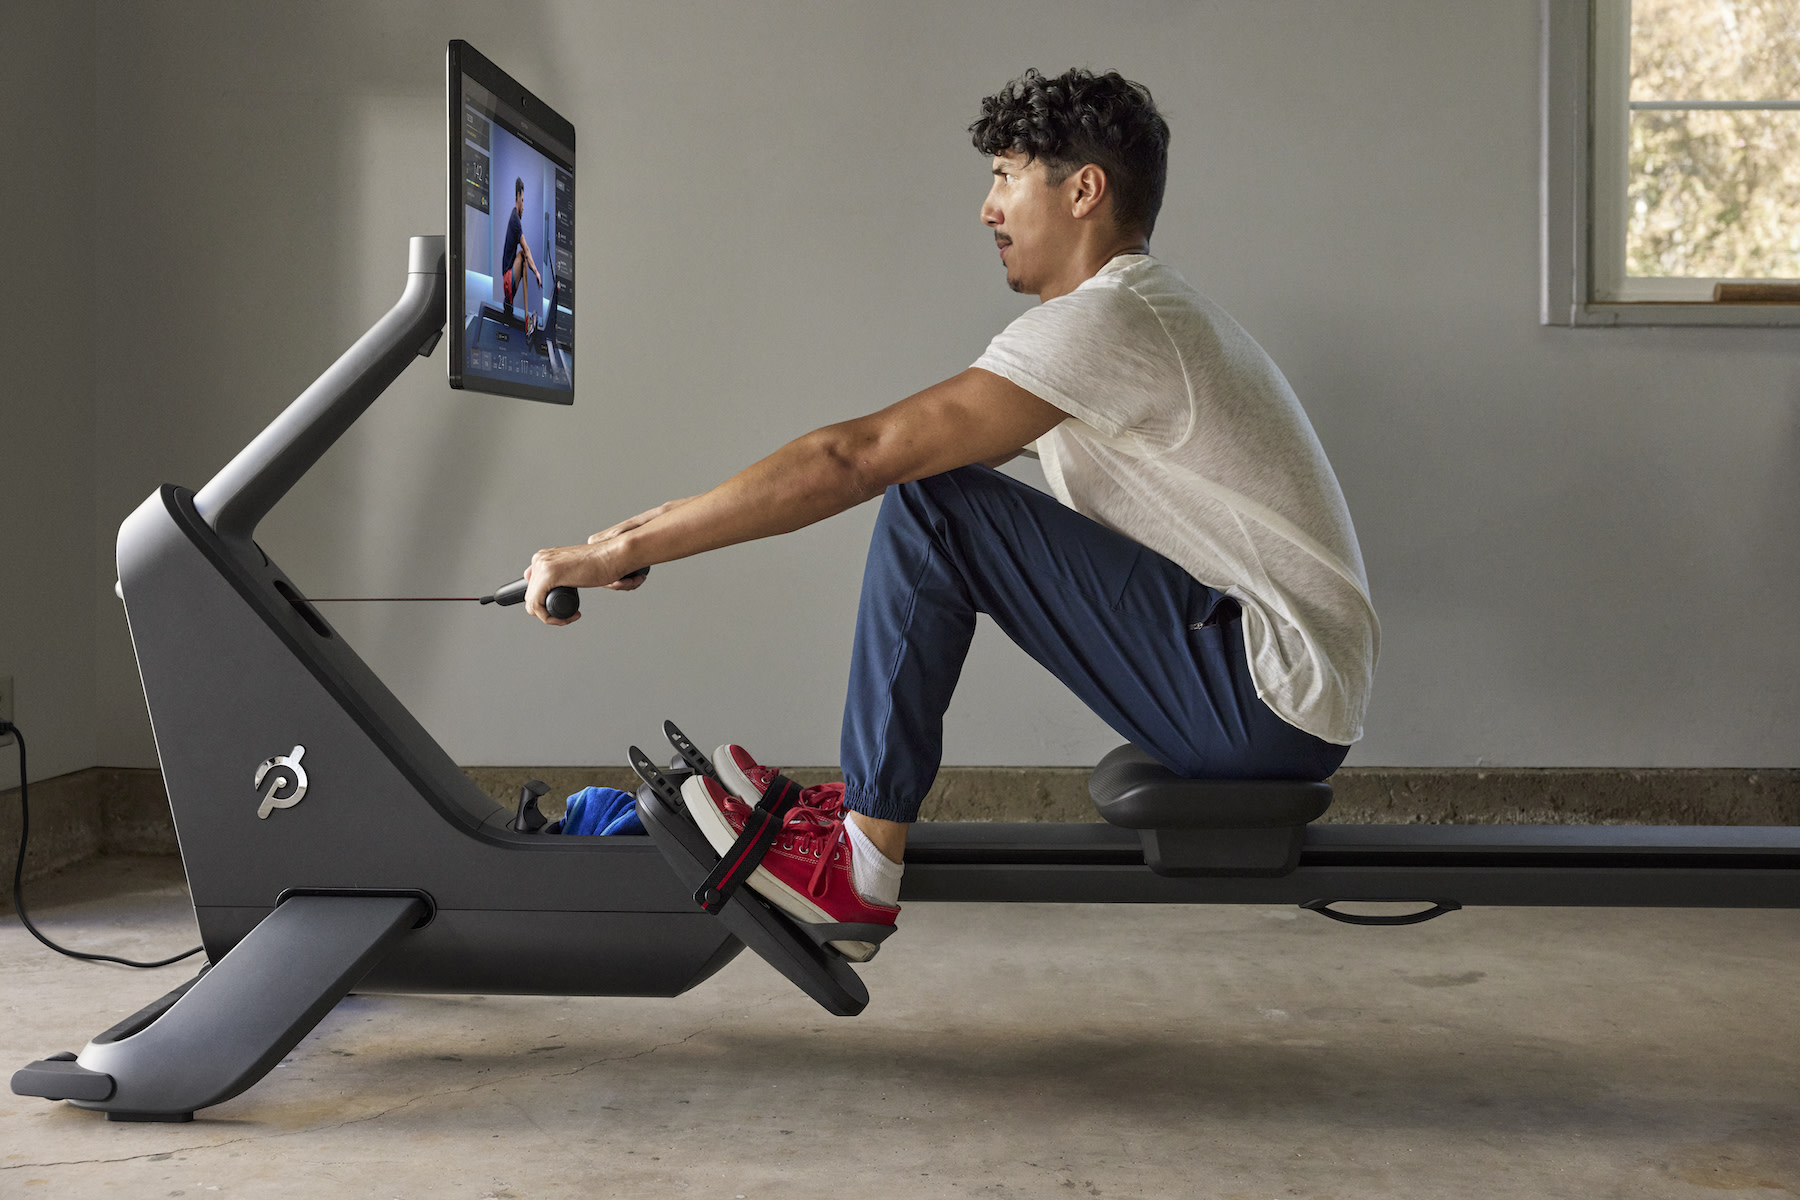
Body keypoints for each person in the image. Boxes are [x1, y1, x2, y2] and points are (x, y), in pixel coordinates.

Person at [522, 68, 1379, 959]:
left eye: (1007, 176)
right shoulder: (1127, 321)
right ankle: (862, 823)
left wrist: (628, 545)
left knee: (936, 506)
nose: (987, 208)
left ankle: (860, 864)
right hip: (1276, 690)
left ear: (1083, 190)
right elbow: (856, 463)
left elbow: (857, 459)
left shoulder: (1108, 322)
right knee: (942, 502)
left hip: (1268, 696)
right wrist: (622, 541)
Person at [501, 176, 543, 333]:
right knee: (523, 255)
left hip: (509, 277)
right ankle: (527, 323)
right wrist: (537, 272)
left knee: (522, 255)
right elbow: (526, 248)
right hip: (507, 279)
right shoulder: (515, 220)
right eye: (523, 201)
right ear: (517, 197)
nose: (523, 206)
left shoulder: (515, 217)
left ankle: (518, 315)